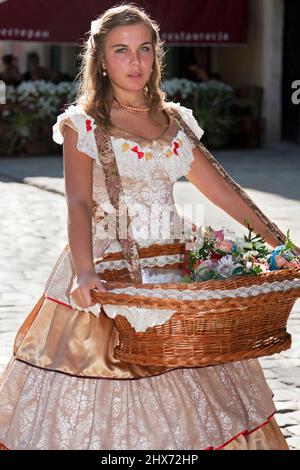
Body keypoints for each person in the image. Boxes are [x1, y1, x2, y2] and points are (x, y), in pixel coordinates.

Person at [0, 4, 298, 451]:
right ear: (101, 59)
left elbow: (226, 192)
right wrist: (84, 270)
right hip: (108, 264)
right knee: (109, 372)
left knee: (190, 362)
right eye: (121, 51)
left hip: (172, 263)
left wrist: (283, 244)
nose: (135, 61)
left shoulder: (174, 121)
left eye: (144, 49)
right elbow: (79, 202)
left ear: (156, 56)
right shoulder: (84, 124)